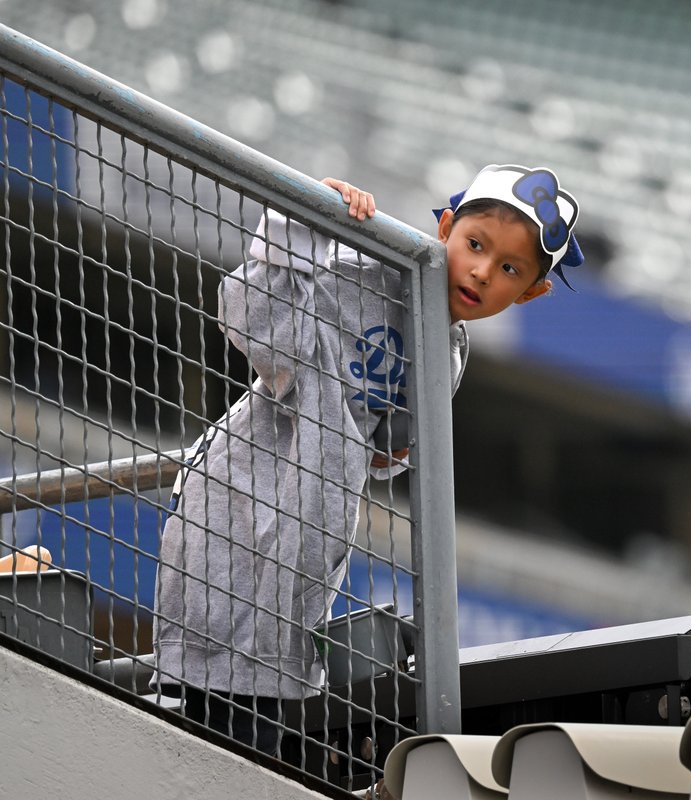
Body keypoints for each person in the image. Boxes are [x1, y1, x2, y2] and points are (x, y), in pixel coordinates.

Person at [153, 164, 584, 755]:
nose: (483, 271)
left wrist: (394, 449)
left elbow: (382, 454)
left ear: (531, 291)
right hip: (237, 498)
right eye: (475, 244)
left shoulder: (447, 352)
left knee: (257, 728)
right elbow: (253, 318)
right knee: (189, 707)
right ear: (445, 227)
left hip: (310, 534)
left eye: (510, 268)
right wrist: (302, 219)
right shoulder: (360, 274)